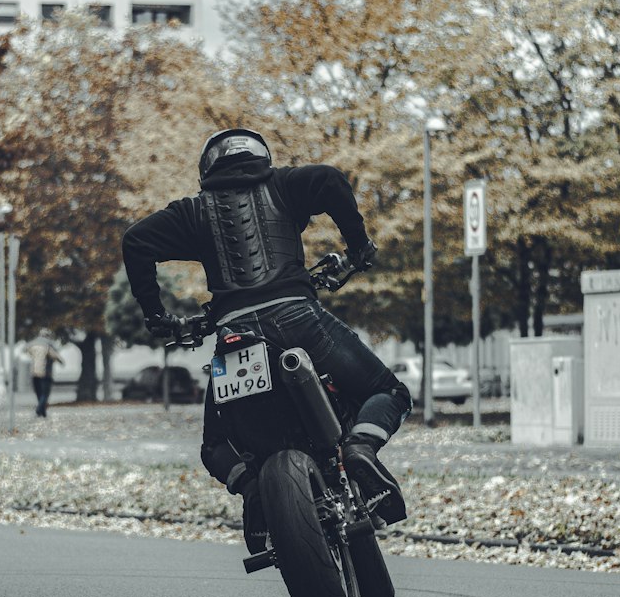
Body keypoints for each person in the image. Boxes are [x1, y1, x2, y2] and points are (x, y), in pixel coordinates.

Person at [121, 128, 413, 549]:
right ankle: (361, 448)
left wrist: (157, 315)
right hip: (297, 318)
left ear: (207, 171)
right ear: (261, 158)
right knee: (389, 390)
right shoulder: (283, 185)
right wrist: (358, 244)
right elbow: (331, 180)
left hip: (233, 334)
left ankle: (255, 492)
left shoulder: (192, 212)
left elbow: (137, 240)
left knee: (215, 445)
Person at [27, 329, 62, 418]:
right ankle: (39, 410)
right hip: (45, 373)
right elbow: (54, 356)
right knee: (45, 394)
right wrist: (61, 361)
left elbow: (27, 353)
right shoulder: (48, 345)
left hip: (34, 373)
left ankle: (42, 412)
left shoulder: (32, 344)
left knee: (39, 393)